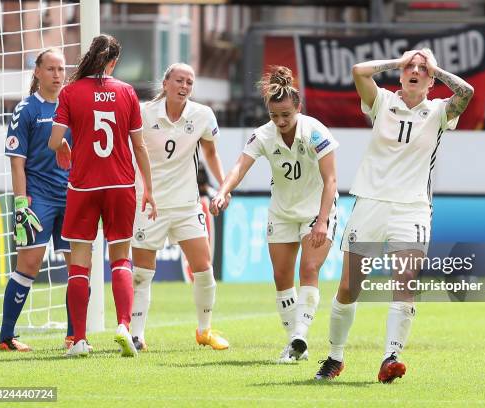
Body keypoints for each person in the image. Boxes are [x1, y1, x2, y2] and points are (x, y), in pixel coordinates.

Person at [314, 49, 474, 382]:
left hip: (412, 207)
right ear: (401, 75)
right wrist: (397, 62)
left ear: (430, 81)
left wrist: (436, 66)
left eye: (422, 69)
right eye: (410, 68)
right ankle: (335, 357)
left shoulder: (440, 111)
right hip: (370, 202)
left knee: (405, 284)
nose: (415, 71)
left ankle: (390, 358)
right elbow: (359, 70)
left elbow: (466, 93)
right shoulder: (382, 101)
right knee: (349, 287)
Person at [211, 66, 339, 363]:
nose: (280, 121)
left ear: (298, 108)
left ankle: (300, 336)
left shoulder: (316, 132)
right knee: (281, 277)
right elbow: (239, 167)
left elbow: (331, 180)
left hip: (315, 211)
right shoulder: (263, 135)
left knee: (308, 269)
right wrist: (223, 191)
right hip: (281, 212)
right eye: (274, 116)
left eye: (286, 115)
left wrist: (322, 221)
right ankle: (294, 345)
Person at [48, 34, 156, 358]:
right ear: (114, 62)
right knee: (121, 259)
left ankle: (78, 340)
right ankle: (124, 325)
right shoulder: (126, 92)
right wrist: (148, 188)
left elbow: (54, 141)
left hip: (83, 186)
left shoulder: (70, 92)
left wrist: (65, 145)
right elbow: (139, 146)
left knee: (79, 265)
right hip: (121, 185)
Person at [129, 63, 229, 351]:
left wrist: (223, 187)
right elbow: (130, 151)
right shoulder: (144, 113)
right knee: (143, 272)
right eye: (179, 80)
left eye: (189, 82)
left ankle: (204, 330)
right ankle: (137, 335)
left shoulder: (202, 115)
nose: (184, 86)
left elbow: (210, 152)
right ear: (165, 83)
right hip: (150, 204)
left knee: (204, 268)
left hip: (187, 204)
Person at [0, 48, 81, 352]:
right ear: (37, 72)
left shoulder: (72, 105)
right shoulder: (27, 109)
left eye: (61, 69)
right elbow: (17, 162)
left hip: (72, 197)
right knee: (29, 266)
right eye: (51, 69)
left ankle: (75, 336)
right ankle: (6, 336)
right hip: (38, 199)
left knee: (78, 267)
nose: (57, 75)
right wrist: (21, 206)